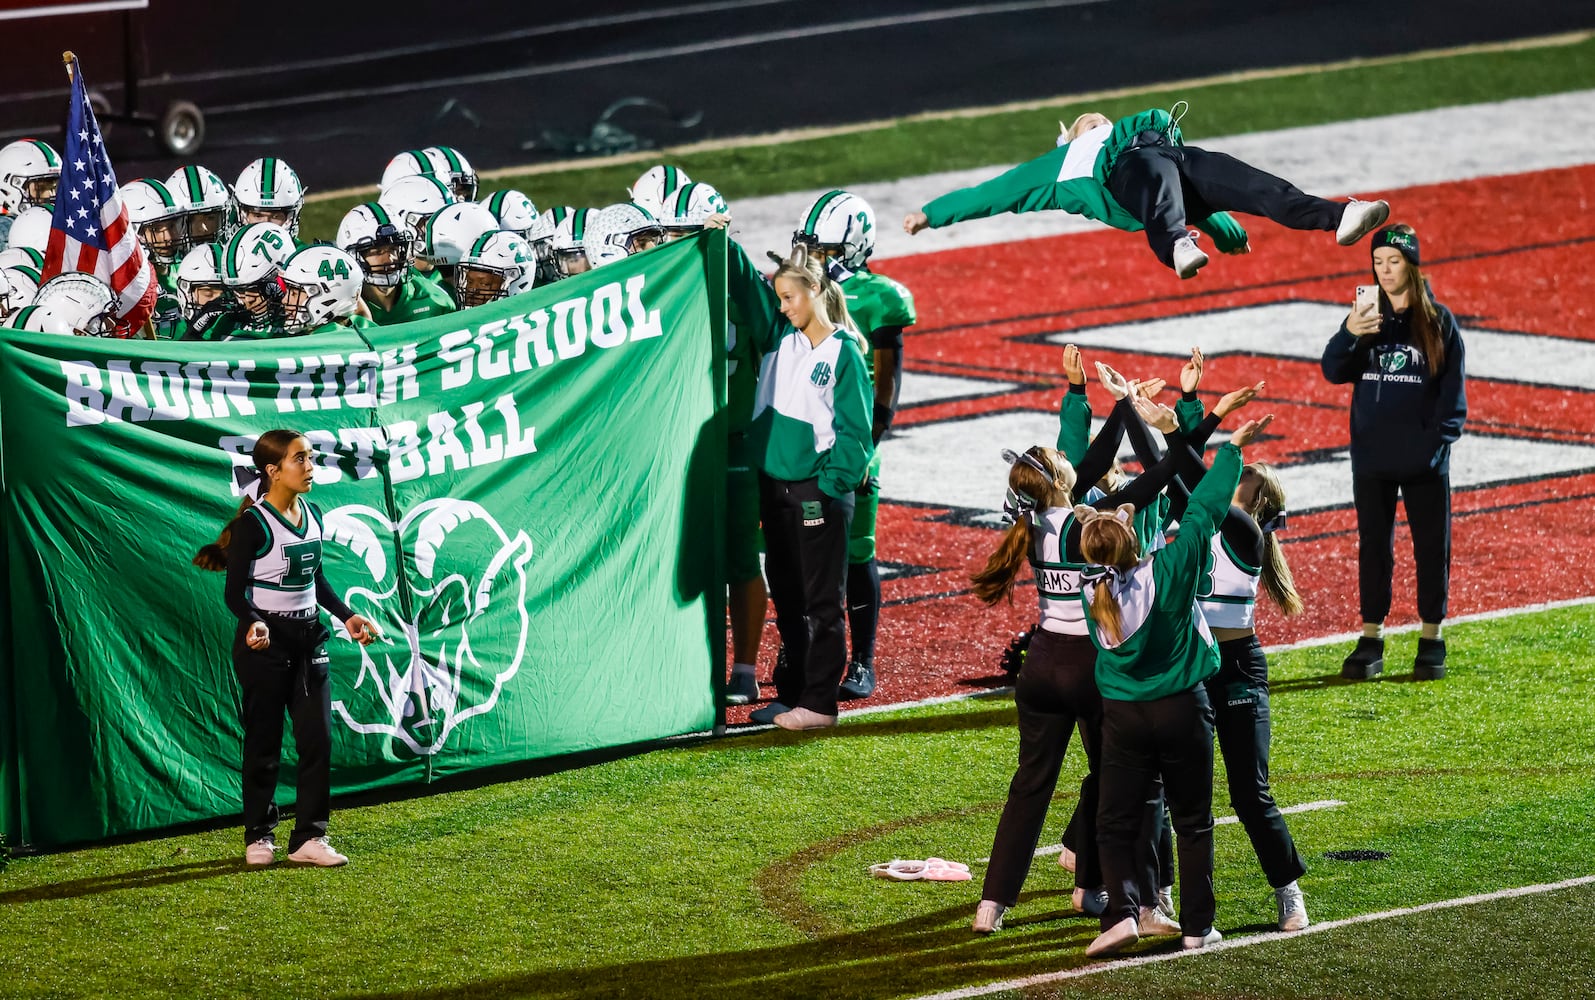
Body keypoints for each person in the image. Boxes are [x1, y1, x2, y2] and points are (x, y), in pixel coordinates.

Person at [966, 356, 1212, 937]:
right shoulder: (1092, 521)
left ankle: (992, 905)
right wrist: (1145, 411)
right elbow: (1157, 474)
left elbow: (1083, 458)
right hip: (1094, 668)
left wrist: (1102, 397)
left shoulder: (1031, 524)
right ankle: (1123, 895)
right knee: (1122, 784)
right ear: (1060, 482)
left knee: (1028, 787)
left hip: (1041, 664)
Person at [1079, 398, 1273, 957]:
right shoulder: (1171, 566)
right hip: (1182, 709)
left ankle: (1120, 913)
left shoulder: (1093, 587)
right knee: (1193, 820)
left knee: (1115, 819)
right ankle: (1197, 927)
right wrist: (1230, 448)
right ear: (1131, 534)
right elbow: (1205, 509)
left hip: (1123, 716)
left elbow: (1125, 516)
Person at [1165, 349, 1310, 931]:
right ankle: (1154, 895)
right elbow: (1174, 477)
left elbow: (1194, 473)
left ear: (1253, 503)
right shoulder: (1210, 516)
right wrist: (1184, 409)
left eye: (1236, 482)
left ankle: (1288, 891)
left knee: (1250, 794)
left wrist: (1185, 422)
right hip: (1194, 663)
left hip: (1237, 668)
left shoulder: (1245, 531)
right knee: (1177, 790)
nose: (1228, 487)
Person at [903, 106, 1390, 279]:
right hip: (1125, 171)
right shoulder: (1060, 165)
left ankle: (1335, 217)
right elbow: (994, 192)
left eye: (1095, 117)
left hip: (1170, 153)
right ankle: (1175, 245)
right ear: (1068, 138)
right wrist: (932, 213)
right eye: (1081, 123)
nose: (1091, 118)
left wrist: (1224, 230)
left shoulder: (1146, 133)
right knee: (1158, 183)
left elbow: (1196, 201)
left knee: (1251, 182)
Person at [192, 430, 383, 868]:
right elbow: (234, 595)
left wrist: (347, 616)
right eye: (300, 459)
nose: (310, 466)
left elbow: (316, 581)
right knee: (264, 743)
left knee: (317, 740)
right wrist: (254, 622)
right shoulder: (251, 525)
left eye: (311, 458)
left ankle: (309, 838)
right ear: (273, 471)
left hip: (309, 637)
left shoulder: (313, 513)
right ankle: (259, 835)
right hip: (266, 643)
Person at [1321, 224, 1466, 680]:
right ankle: (1371, 638)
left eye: (1394, 261)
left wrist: (1435, 446)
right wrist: (1349, 331)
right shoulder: (1367, 318)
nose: (1385, 271)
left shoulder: (1439, 321)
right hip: (1372, 460)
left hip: (1425, 462)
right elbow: (1332, 370)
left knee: (1431, 548)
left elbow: (1453, 398)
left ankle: (1431, 637)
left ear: (1412, 264)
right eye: (1378, 262)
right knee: (1374, 550)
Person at [792, 189, 916, 701]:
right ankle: (798, 650)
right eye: (808, 249)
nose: (812, 259)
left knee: (855, 553)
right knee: (795, 554)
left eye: (822, 250)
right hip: (799, 440)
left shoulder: (880, 296)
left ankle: (861, 659)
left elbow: (886, 383)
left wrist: (866, 445)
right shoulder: (794, 292)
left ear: (852, 247)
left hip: (851, 438)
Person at [744, 245, 873, 731]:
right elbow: (744, 282)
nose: (782, 307)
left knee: (821, 602)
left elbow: (857, 433)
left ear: (815, 290)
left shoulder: (845, 353)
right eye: (778, 299)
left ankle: (820, 704)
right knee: (790, 599)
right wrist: (721, 233)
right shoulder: (783, 337)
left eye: (789, 297)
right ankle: (794, 694)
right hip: (777, 489)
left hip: (816, 492)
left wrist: (827, 484)